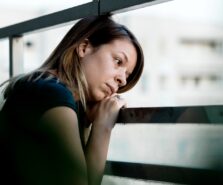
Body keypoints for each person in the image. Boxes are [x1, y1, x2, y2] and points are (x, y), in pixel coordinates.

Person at [0, 13, 144, 185]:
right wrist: (103, 126)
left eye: (127, 74)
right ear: (84, 47)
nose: (123, 79)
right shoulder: (50, 94)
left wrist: (89, 122)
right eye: (118, 61)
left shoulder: (49, 89)